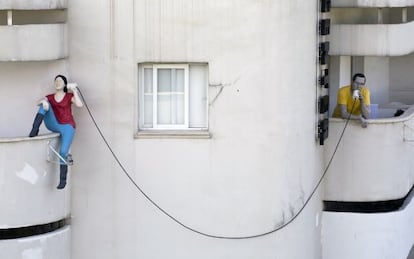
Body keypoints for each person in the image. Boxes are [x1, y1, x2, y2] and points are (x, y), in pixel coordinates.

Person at [29, 75, 83, 189]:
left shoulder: (69, 96)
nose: (58, 82)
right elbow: (37, 103)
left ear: (65, 84)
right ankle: (34, 129)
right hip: (54, 123)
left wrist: (74, 91)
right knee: (45, 105)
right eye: (56, 81)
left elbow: (79, 105)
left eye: (60, 81)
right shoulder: (50, 97)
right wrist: (43, 101)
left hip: (67, 126)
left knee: (63, 152)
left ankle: (62, 180)